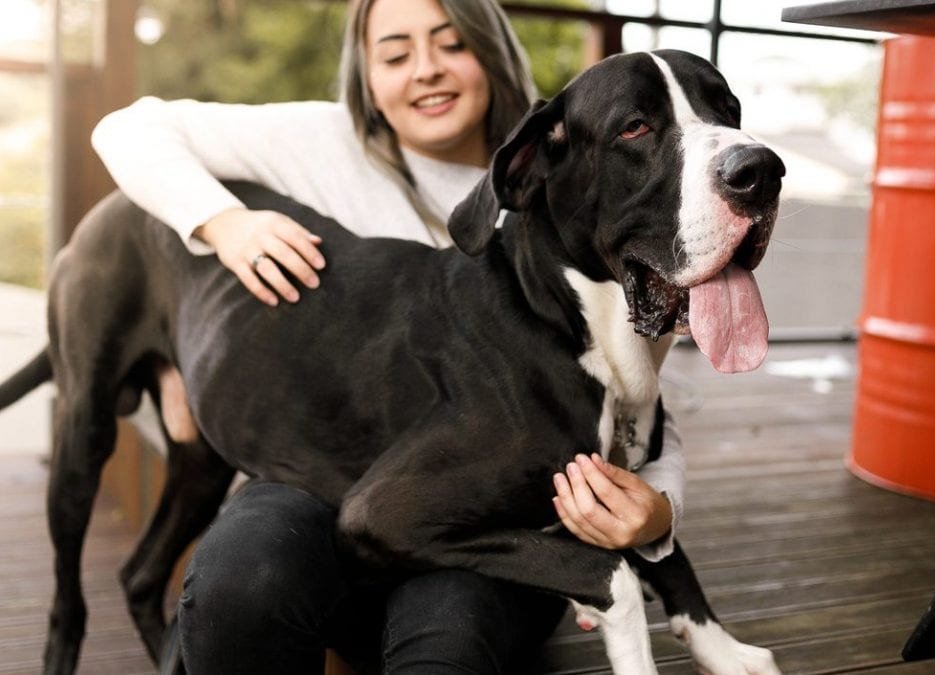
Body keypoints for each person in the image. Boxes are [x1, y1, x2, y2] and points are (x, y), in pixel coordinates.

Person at [91, 0, 686, 672]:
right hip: (320, 469)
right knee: (240, 581)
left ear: (490, 49)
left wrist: (660, 513)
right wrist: (222, 224)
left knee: (450, 642)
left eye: (450, 44)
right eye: (396, 55)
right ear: (367, 76)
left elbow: (637, 395)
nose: (426, 71)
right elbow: (128, 131)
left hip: (494, 516)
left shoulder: (561, 169)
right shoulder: (322, 140)